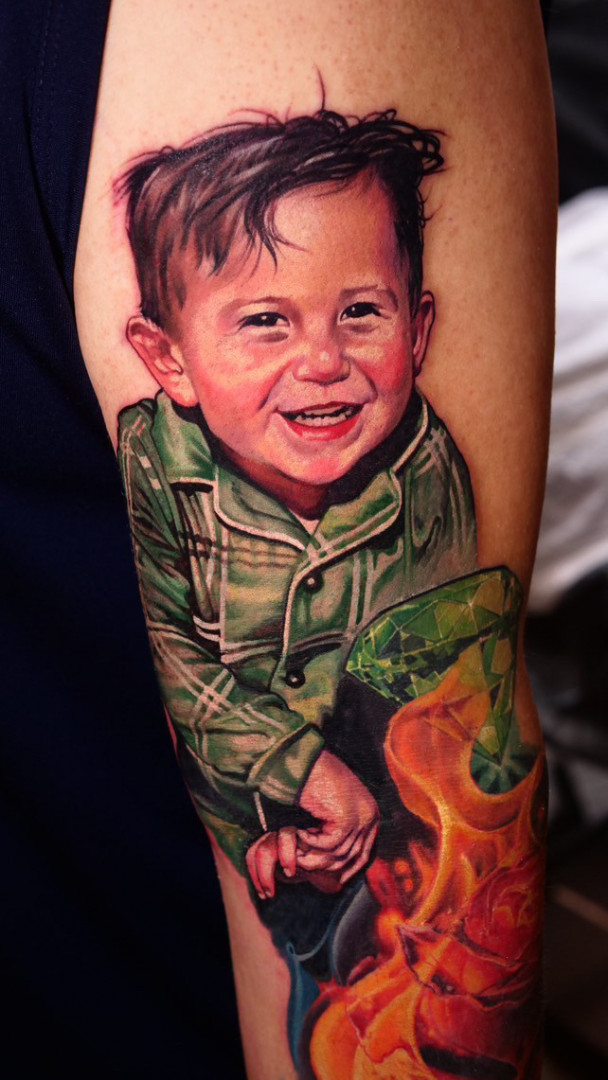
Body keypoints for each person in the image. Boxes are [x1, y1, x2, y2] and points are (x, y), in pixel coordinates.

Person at [115, 111, 477, 897]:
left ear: (418, 333)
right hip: (170, 848)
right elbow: (177, 666)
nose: (322, 360)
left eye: (361, 313)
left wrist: (384, 817)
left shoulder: (427, 467)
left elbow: (448, 674)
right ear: (168, 359)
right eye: (265, 322)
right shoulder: (154, 463)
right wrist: (292, 787)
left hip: (390, 834)